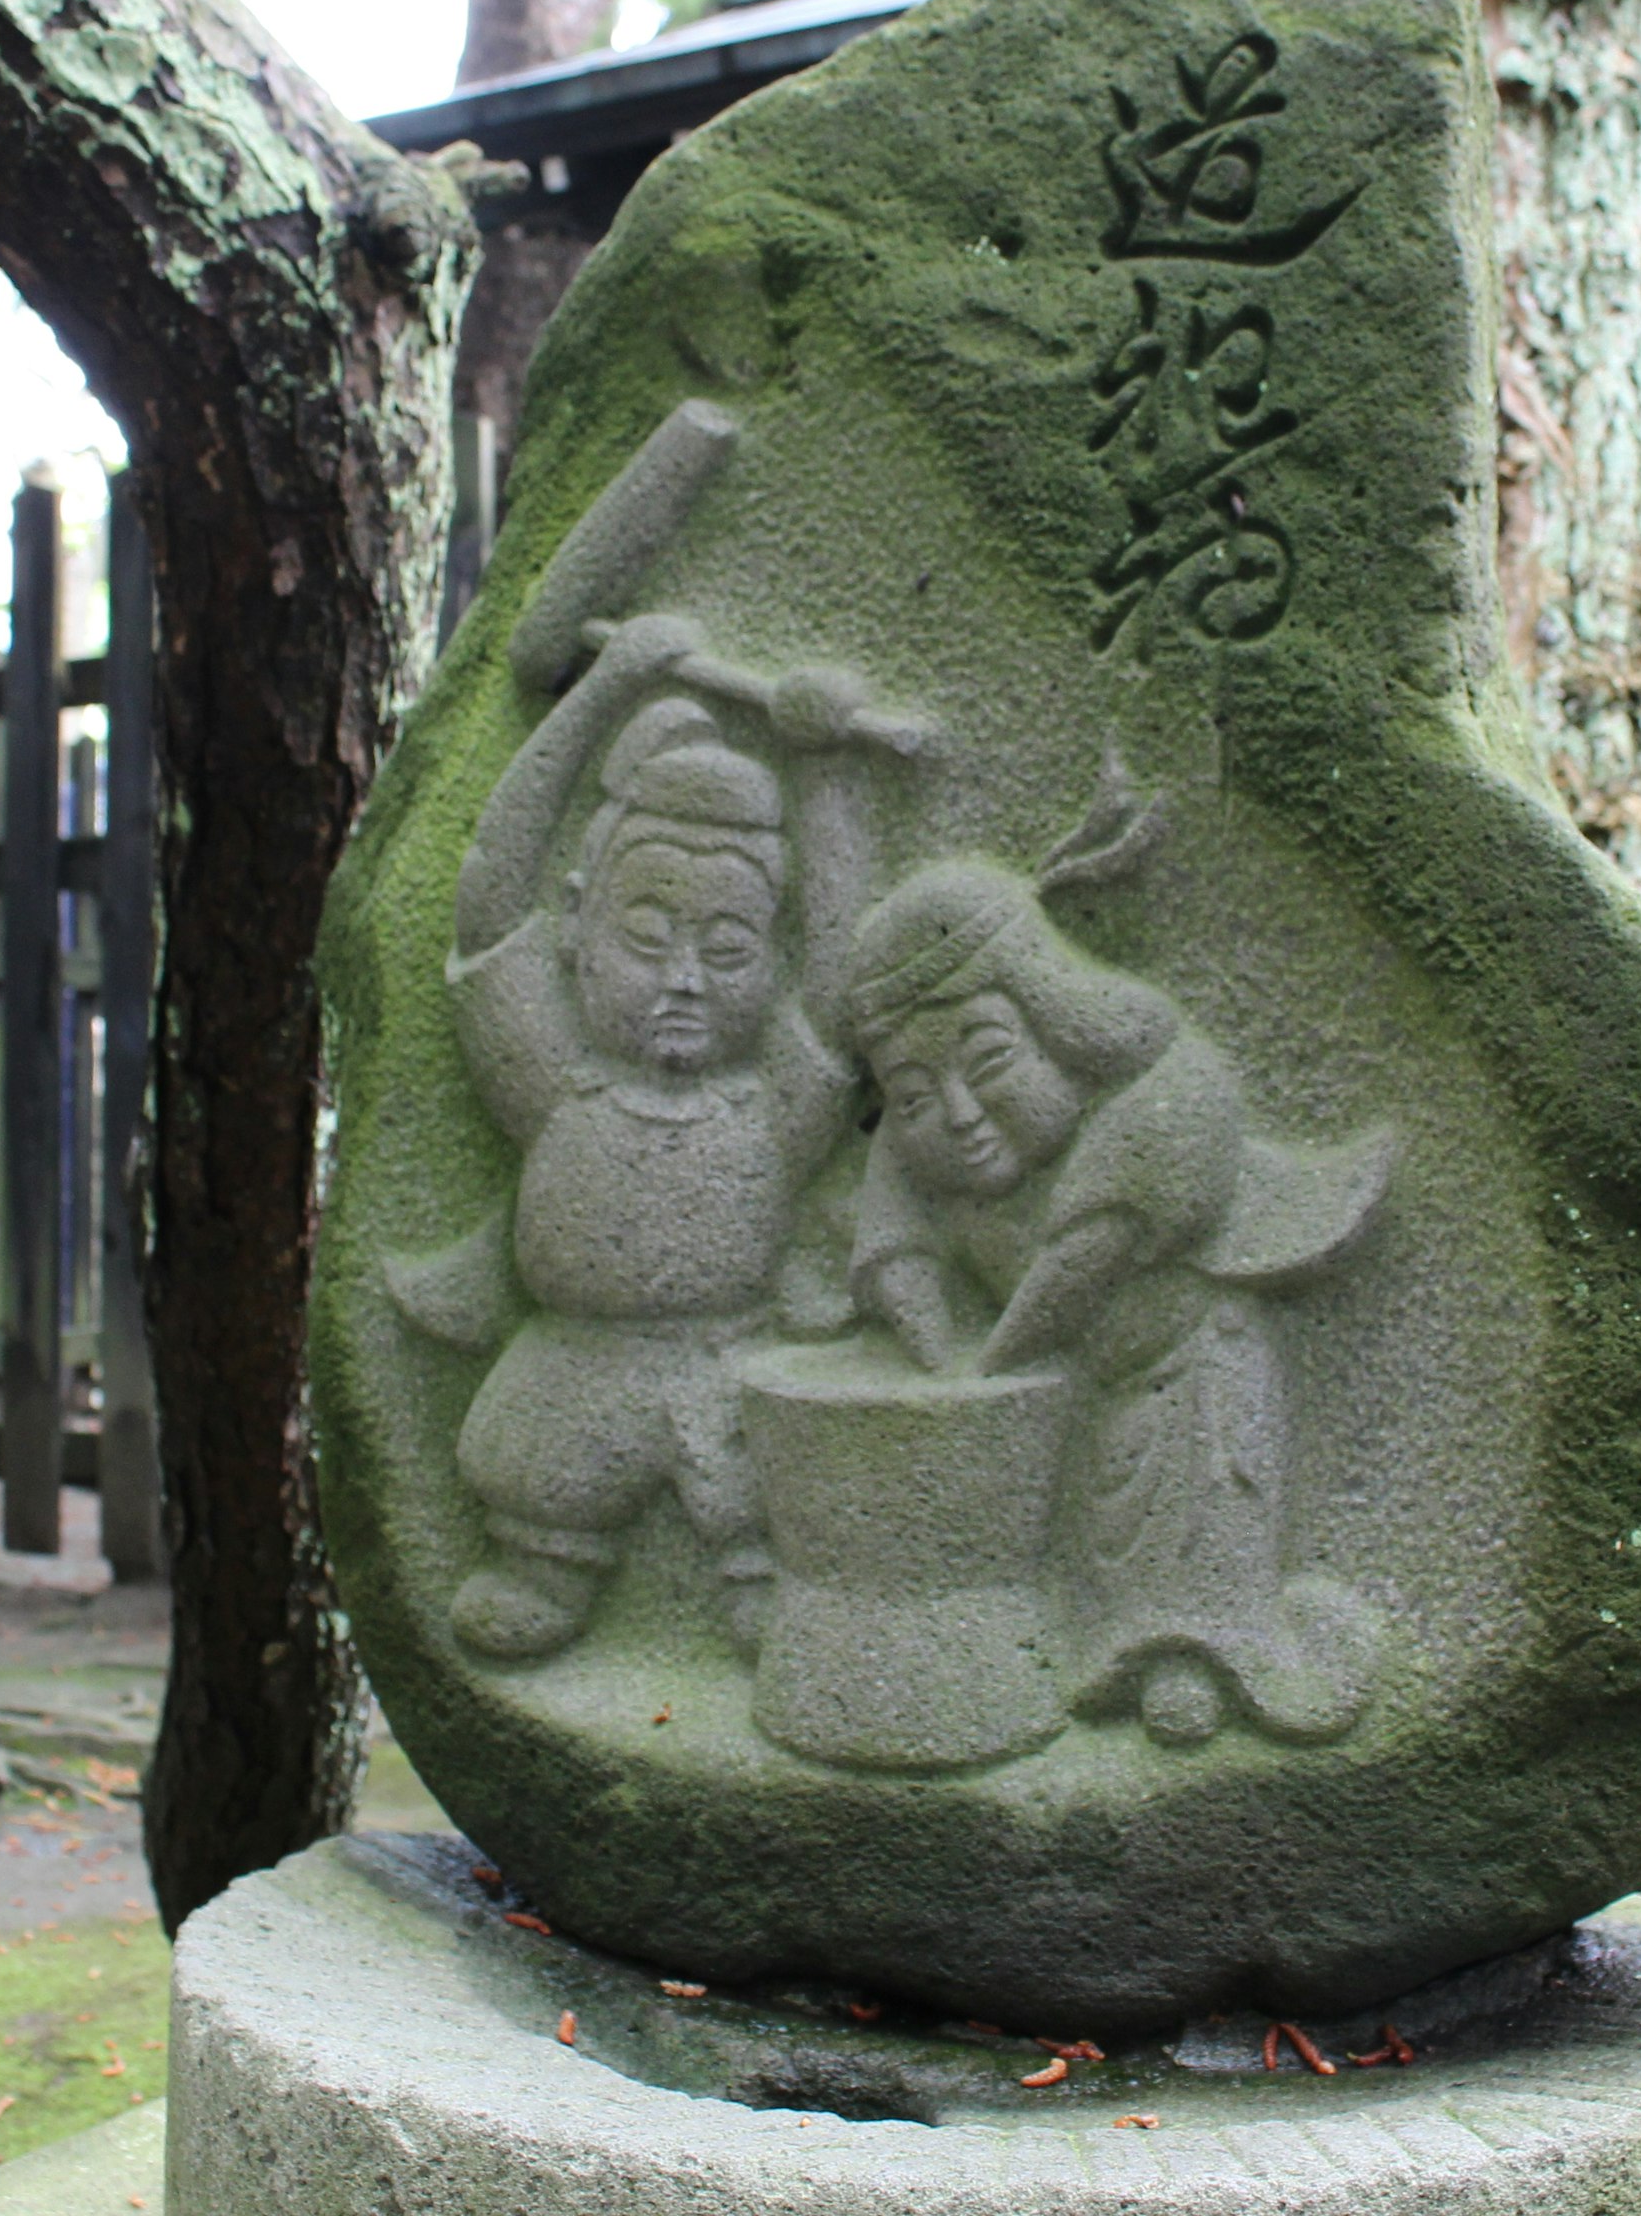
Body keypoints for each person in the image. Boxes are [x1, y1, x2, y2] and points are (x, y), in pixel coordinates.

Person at [396, 614, 860, 1659]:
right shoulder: (558, 1087)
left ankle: (762, 1573)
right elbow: (488, 903)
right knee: (539, 1464)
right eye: (647, 939)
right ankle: (543, 1563)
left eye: (728, 946)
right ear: (581, 929)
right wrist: (598, 695)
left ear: (769, 960)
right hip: (579, 1357)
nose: (685, 976)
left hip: (731, 1354)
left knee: (773, 1467)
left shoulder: (774, 1102)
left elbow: (839, 982)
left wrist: (827, 780)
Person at [843, 853, 1384, 1746]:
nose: (963, 1113)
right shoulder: (919, 1162)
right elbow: (893, 1241)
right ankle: (1092, 1657)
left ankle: (1204, 1651)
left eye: (989, 1061)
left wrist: (987, 1368)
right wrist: (937, 1355)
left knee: (1189, 1496)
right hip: (1060, 1400)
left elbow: (1073, 1274)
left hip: (1184, 1360)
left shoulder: (1161, 1101)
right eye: (914, 1096)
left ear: (1058, 1028)